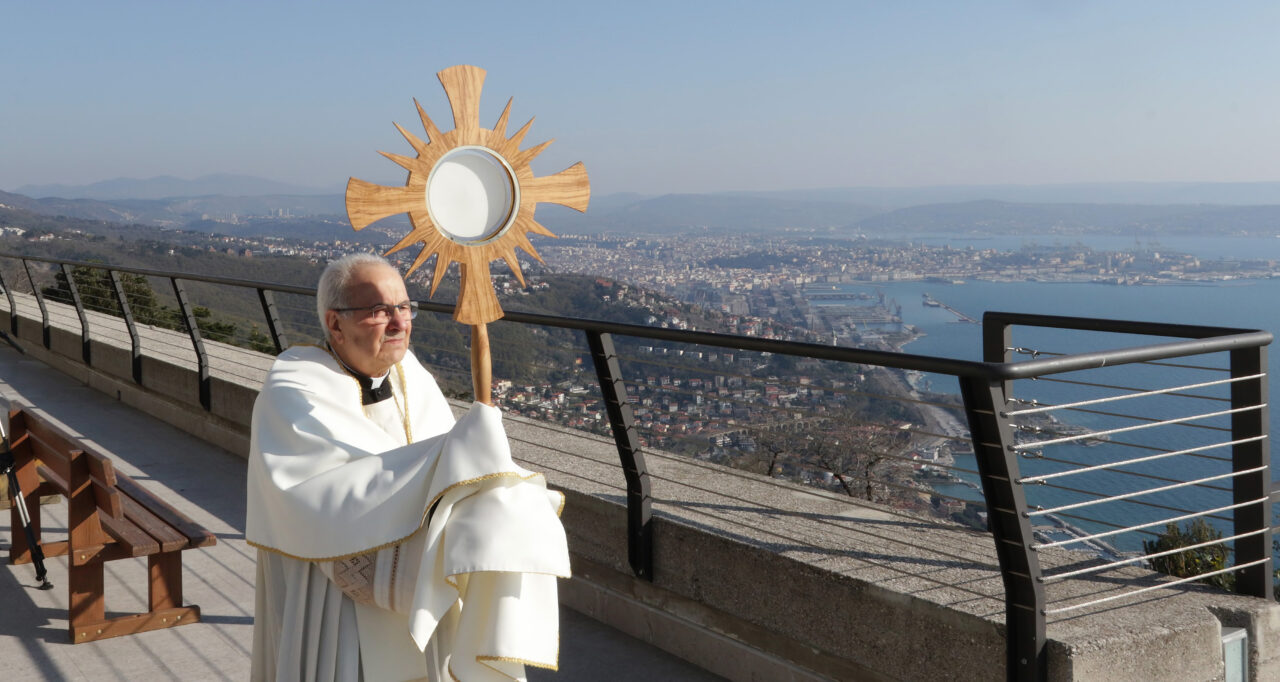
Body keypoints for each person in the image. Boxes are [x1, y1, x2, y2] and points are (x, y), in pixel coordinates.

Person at [247, 253, 569, 682]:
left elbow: (445, 481)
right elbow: (327, 496)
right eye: (380, 310)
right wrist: (458, 453)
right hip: (335, 600)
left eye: (403, 307)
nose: (399, 323)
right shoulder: (293, 386)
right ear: (335, 323)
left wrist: (477, 471)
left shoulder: (409, 374)